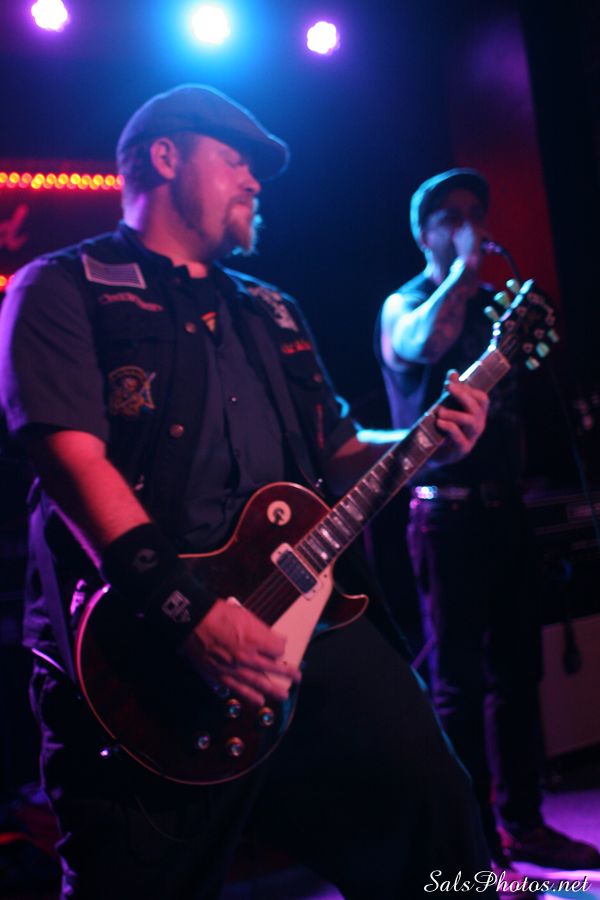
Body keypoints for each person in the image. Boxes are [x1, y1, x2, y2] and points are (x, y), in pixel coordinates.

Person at [0, 88, 496, 900]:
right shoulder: (61, 287)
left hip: (307, 622)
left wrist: (426, 441)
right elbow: (72, 462)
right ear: (165, 158)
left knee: (438, 821)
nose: (256, 182)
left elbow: (339, 454)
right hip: (144, 651)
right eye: (236, 160)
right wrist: (188, 611)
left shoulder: (273, 310)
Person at [375, 167, 600, 871]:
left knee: (519, 675)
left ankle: (524, 824)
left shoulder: (493, 311)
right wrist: (460, 271)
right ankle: (469, 843)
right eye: (453, 215)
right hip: (445, 518)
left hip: (508, 511)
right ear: (425, 232)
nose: (471, 224)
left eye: (478, 211)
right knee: (458, 683)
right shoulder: (405, 304)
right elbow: (420, 345)